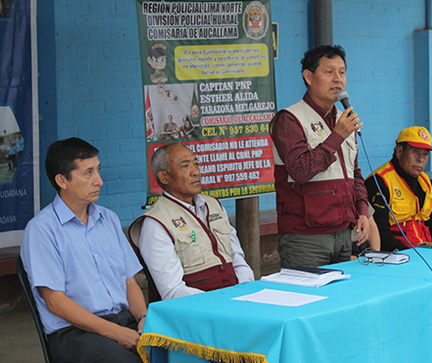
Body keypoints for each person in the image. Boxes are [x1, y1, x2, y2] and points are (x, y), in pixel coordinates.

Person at [20, 137, 147, 363]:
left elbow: (129, 281)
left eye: (98, 170)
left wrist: (143, 317)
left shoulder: (108, 219)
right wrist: (117, 333)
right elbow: (55, 301)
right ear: (62, 180)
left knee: (181, 350)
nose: (99, 181)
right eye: (88, 173)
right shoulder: (42, 229)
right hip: (75, 334)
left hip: (124, 321)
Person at [269, 44, 370, 268]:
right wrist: (337, 136)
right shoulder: (290, 119)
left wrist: (363, 211)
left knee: (342, 298)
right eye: (329, 72)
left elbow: (354, 173)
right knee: (307, 299)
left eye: (342, 72)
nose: (338, 79)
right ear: (308, 76)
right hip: (306, 238)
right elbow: (300, 171)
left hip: (345, 232)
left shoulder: (343, 119)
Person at [128, 143, 254, 300]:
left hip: (235, 298)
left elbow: (238, 260)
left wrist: (245, 289)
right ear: (164, 177)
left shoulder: (214, 206)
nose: (195, 172)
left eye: (196, 164)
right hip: (198, 309)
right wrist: (220, 301)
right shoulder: (156, 222)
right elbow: (172, 291)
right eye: (185, 166)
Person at [365, 126, 432, 251]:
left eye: (425, 154)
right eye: (415, 152)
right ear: (399, 151)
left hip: (428, 251)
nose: (420, 159)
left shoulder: (425, 180)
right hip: (399, 255)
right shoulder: (379, 182)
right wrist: (412, 255)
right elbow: (380, 233)